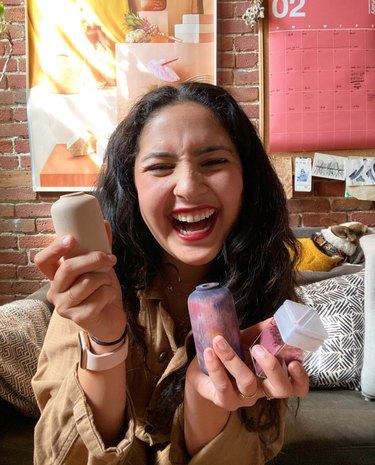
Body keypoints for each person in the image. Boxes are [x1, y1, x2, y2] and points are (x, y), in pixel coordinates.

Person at [32, 82, 309, 464]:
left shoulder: (265, 285)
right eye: (160, 167)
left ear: (247, 180)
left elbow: (255, 449)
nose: (189, 187)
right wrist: (106, 344)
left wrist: (204, 395)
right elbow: (60, 458)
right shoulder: (94, 288)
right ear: (132, 186)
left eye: (213, 162)